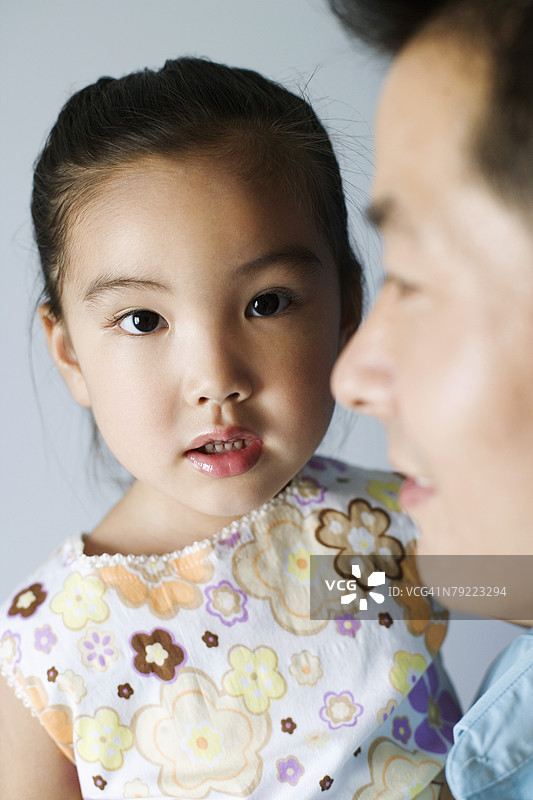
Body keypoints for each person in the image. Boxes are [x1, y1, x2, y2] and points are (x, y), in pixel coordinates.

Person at [0, 57, 458, 799]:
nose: (215, 378)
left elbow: (515, 584)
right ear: (71, 354)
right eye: (142, 320)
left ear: (346, 307)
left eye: (266, 303)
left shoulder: (364, 545)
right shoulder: (55, 645)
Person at [328, 1, 533, 798]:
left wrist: (322, 589)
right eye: (142, 322)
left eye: (411, 278)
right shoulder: (46, 629)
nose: (349, 376)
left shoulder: (367, 518)